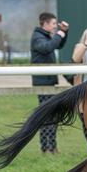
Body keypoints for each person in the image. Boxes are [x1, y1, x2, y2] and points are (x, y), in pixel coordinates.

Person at [30, 12, 69, 154]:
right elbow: (48, 47)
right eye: (53, 24)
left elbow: (57, 45)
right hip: (43, 84)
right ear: (45, 24)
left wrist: (64, 33)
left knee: (51, 116)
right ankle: (46, 147)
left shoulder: (44, 36)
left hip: (49, 82)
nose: (54, 26)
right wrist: (59, 34)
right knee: (46, 117)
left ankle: (51, 147)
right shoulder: (37, 38)